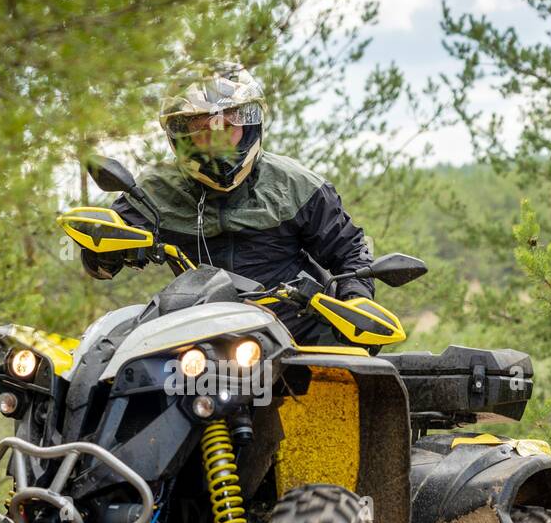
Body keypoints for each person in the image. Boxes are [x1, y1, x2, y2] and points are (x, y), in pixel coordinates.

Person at [80, 62, 377, 344]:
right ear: (181, 137)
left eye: (226, 127)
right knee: (112, 359)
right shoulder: (155, 189)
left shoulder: (297, 185)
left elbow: (350, 251)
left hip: (297, 328)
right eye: (202, 131)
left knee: (354, 373)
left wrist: (356, 301)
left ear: (249, 127)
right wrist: (106, 250)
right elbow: (101, 261)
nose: (217, 141)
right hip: (198, 333)